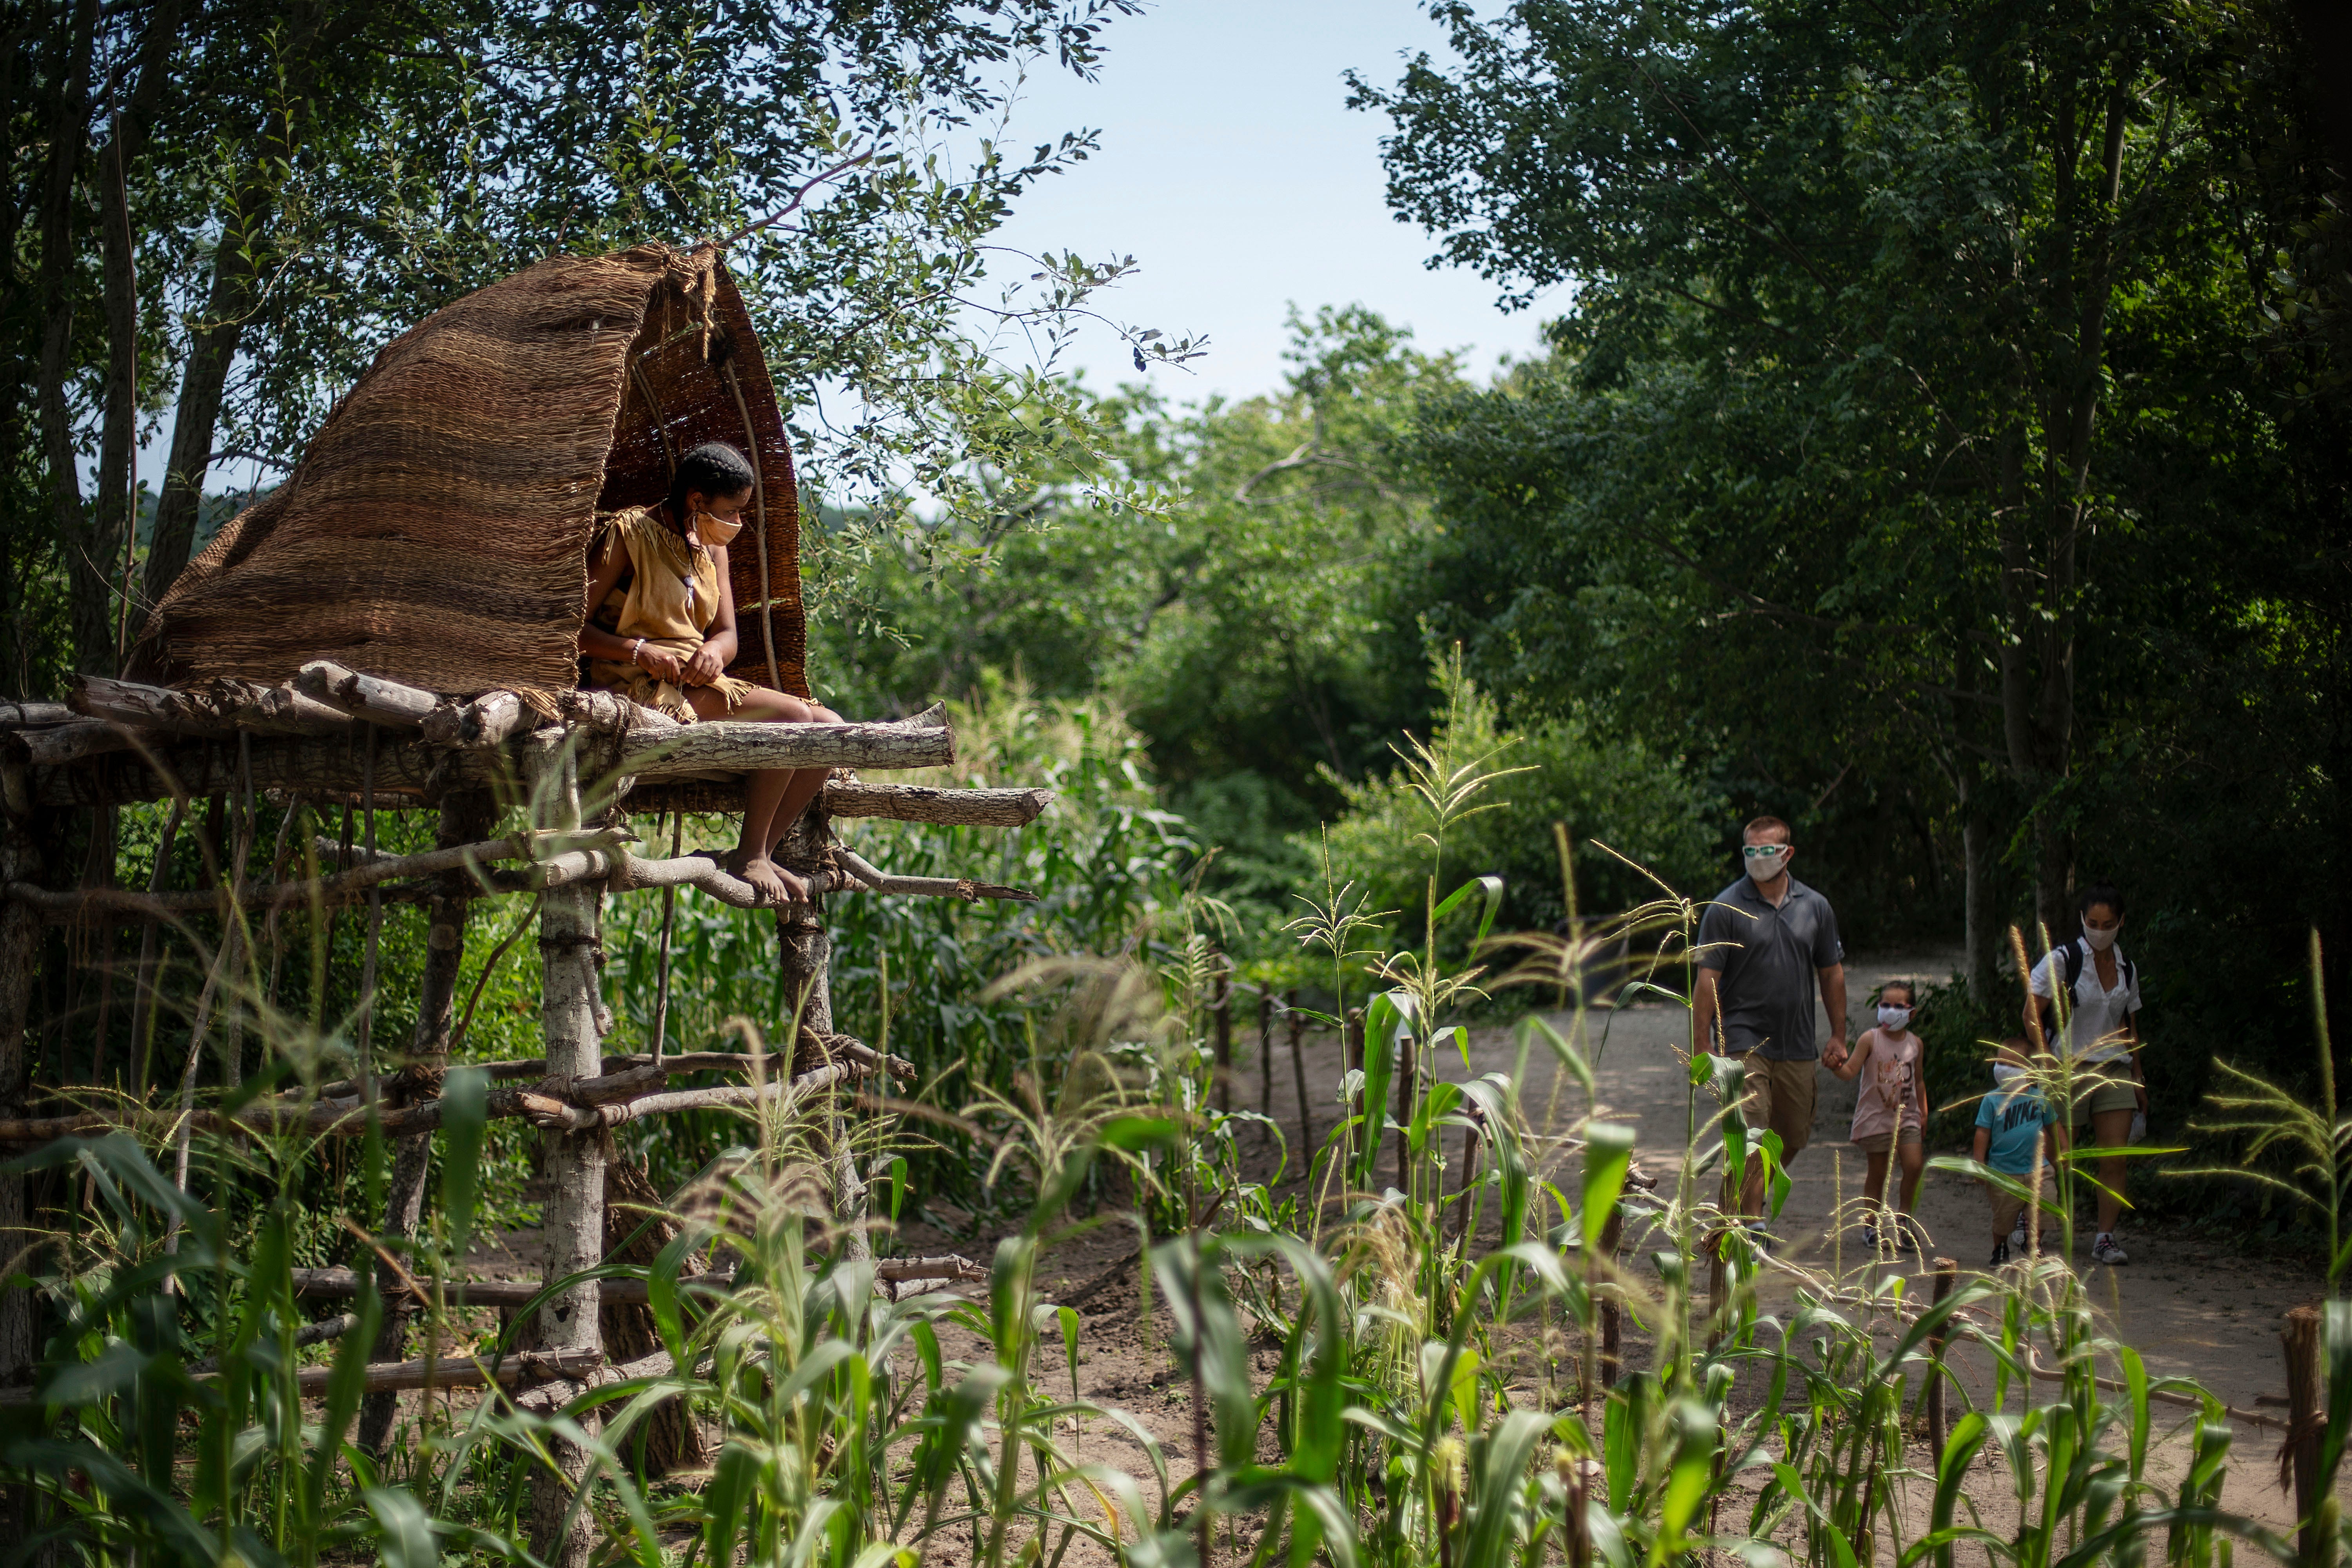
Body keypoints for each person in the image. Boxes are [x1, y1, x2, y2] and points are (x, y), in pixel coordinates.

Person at [578, 441, 843, 905]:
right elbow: (570, 629)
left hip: (695, 683)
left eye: (742, 512)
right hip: (633, 687)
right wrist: (640, 650)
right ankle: (752, 855)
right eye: (731, 510)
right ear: (696, 500)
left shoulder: (710, 547)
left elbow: (727, 635)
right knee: (794, 721)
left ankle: (762, 850)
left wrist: (714, 655)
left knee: (830, 729)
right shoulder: (631, 533)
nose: (737, 522)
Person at [1692, 815, 1849, 1223]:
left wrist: (1838, 1035)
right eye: (1750, 851)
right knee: (1750, 1135)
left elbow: (1831, 972)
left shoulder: (1816, 906)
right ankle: (1751, 1223)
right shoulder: (1724, 908)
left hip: (1797, 1043)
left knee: (1793, 1135)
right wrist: (1702, 1046)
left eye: (1766, 851)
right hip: (1742, 1040)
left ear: (1787, 853)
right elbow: (1707, 976)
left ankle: (1735, 1206)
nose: (1757, 859)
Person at [2025, 883, 2145, 1266]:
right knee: (2060, 1157)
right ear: (2082, 920)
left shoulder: (2127, 967)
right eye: (2092, 922)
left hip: (2114, 1068)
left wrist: (2139, 1076)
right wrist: (2045, 1060)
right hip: (2069, 1065)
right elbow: (2031, 1012)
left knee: (2115, 1157)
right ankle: (2034, 1228)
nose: (2099, 929)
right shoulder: (2063, 960)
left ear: (2121, 922)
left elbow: (2129, 1026)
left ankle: (2105, 1237)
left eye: (2107, 923)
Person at [1831, 980, 1928, 1253]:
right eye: (1885, 1005)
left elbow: (1919, 1081)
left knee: (1914, 1166)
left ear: (1912, 1012)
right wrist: (1835, 1067)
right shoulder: (1869, 1039)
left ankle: (1904, 1221)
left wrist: (1923, 1112)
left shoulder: (1916, 1044)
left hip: (1907, 1116)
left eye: (1899, 1006)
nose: (1890, 1010)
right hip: (1876, 1118)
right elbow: (1850, 1071)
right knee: (1879, 1173)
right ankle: (1871, 1226)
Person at [1974, 1044, 2066, 1267]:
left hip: (2039, 1169)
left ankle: (2033, 1242)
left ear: (2029, 1069)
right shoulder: (1992, 1100)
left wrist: (2065, 1150)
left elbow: (2054, 1126)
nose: (2004, 1069)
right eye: (2000, 1063)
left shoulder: (2039, 1098)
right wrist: (1979, 1162)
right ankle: (2000, 1248)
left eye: (2012, 1065)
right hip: (2003, 1172)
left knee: (2046, 1205)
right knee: (2003, 1217)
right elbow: (1982, 1132)